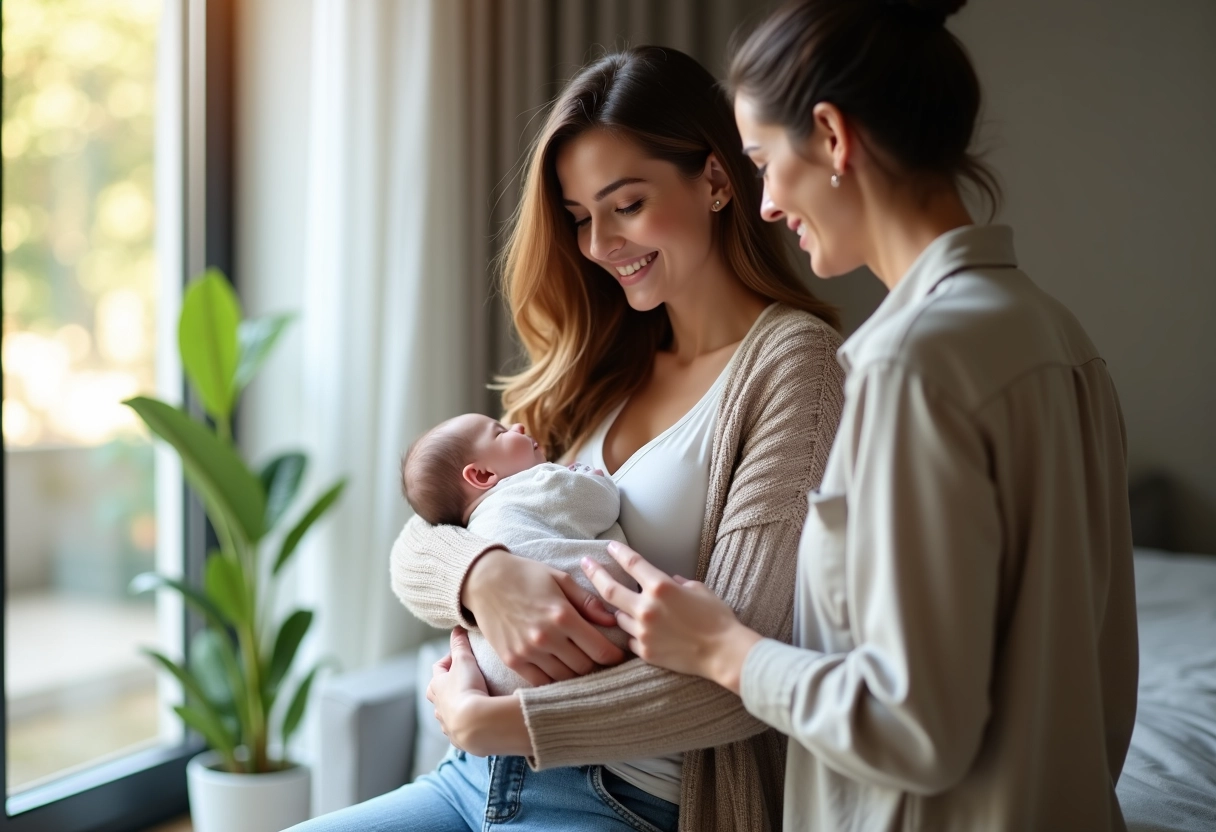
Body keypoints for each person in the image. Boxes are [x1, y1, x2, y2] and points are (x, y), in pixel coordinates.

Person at [580, 2, 1140, 831]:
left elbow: (911, 724)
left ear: (834, 138)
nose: (765, 203)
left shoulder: (909, 362)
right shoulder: (1057, 334)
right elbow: (1097, 679)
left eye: (765, 161)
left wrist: (722, 651)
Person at [292, 45, 845, 832]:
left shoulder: (794, 366)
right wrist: (482, 577)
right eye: (582, 218)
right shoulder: (600, 361)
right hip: (467, 779)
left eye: (626, 205)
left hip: (626, 801)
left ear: (718, 179)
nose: (598, 245)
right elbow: (424, 535)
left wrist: (506, 725)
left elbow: (740, 674)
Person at [399, 414, 633, 695]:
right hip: (594, 630)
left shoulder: (471, 526)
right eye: (501, 432)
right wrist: (587, 476)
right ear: (483, 475)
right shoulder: (540, 483)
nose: (519, 425)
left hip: (497, 681)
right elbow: (603, 503)